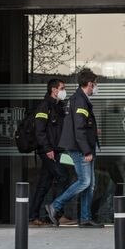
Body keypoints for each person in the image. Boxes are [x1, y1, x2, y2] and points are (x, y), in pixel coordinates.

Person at [46, 68, 103, 228]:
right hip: (80, 148)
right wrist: (86, 151)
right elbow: (79, 129)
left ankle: (85, 218)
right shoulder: (80, 100)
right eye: (95, 84)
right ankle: (55, 206)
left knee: (89, 184)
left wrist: (93, 132)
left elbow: (82, 125)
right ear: (90, 84)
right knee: (84, 182)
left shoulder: (80, 98)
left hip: (83, 146)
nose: (96, 87)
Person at [28, 79, 76, 226]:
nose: (64, 91)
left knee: (44, 183)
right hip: (48, 151)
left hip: (57, 150)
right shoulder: (44, 106)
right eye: (62, 88)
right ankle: (56, 212)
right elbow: (39, 130)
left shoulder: (58, 106)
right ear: (54, 90)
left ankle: (33, 216)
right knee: (63, 177)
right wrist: (48, 149)